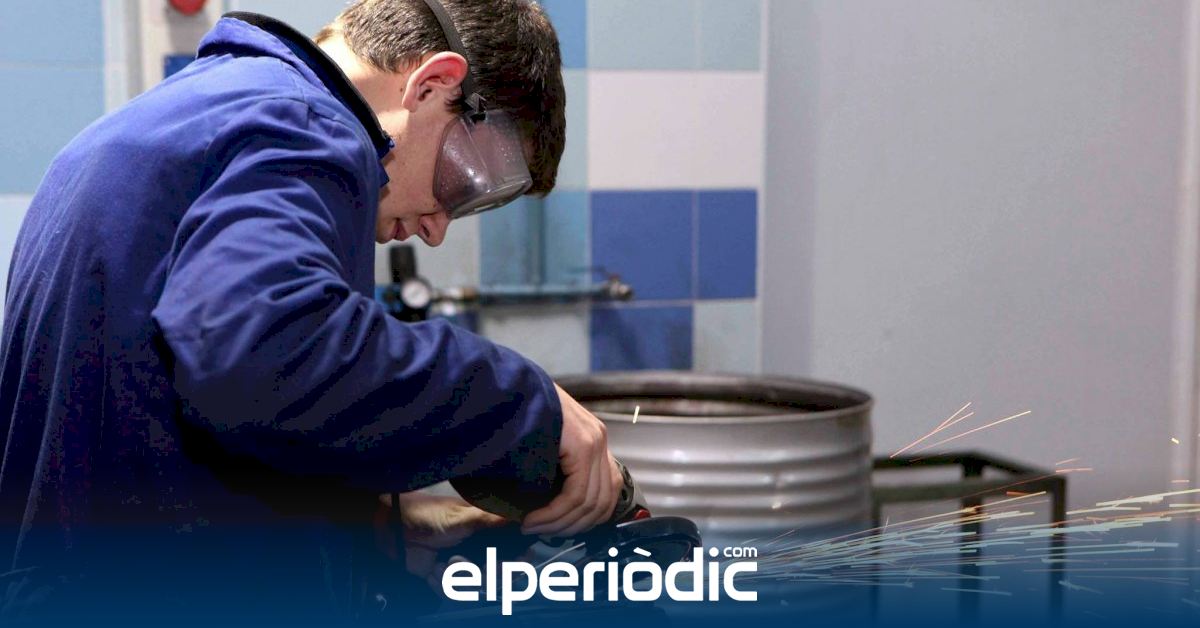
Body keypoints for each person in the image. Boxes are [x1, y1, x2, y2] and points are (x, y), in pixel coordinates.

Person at [0, 0, 621, 621]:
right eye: (468, 183)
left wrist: (377, 530)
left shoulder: (193, 114)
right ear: (432, 84)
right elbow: (259, 351)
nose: (437, 230)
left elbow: (152, 412)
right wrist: (521, 403)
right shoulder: (302, 123)